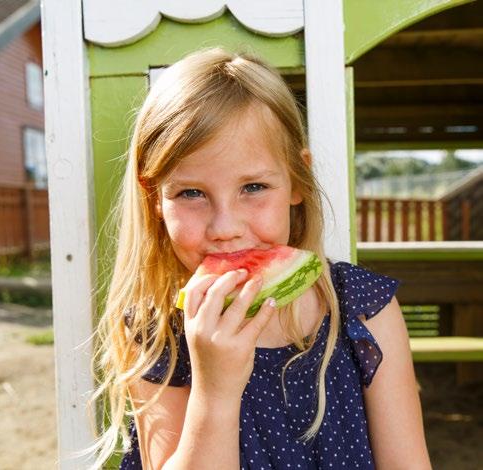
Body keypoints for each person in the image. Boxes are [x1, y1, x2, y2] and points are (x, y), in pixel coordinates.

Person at [89, 47, 431, 470]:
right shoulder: (154, 331)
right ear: (155, 199)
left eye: (252, 187)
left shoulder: (363, 309)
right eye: (192, 193)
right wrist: (215, 392)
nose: (225, 227)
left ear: (296, 181)